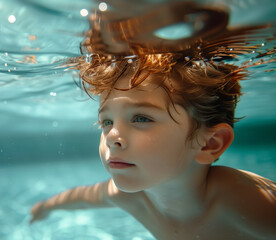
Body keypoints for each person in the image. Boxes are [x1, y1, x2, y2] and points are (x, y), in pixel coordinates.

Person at [30, 2, 276, 239]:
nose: (113, 136)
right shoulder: (132, 196)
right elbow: (84, 197)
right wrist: (46, 207)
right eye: (106, 122)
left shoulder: (242, 199)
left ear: (209, 143)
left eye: (141, 118)